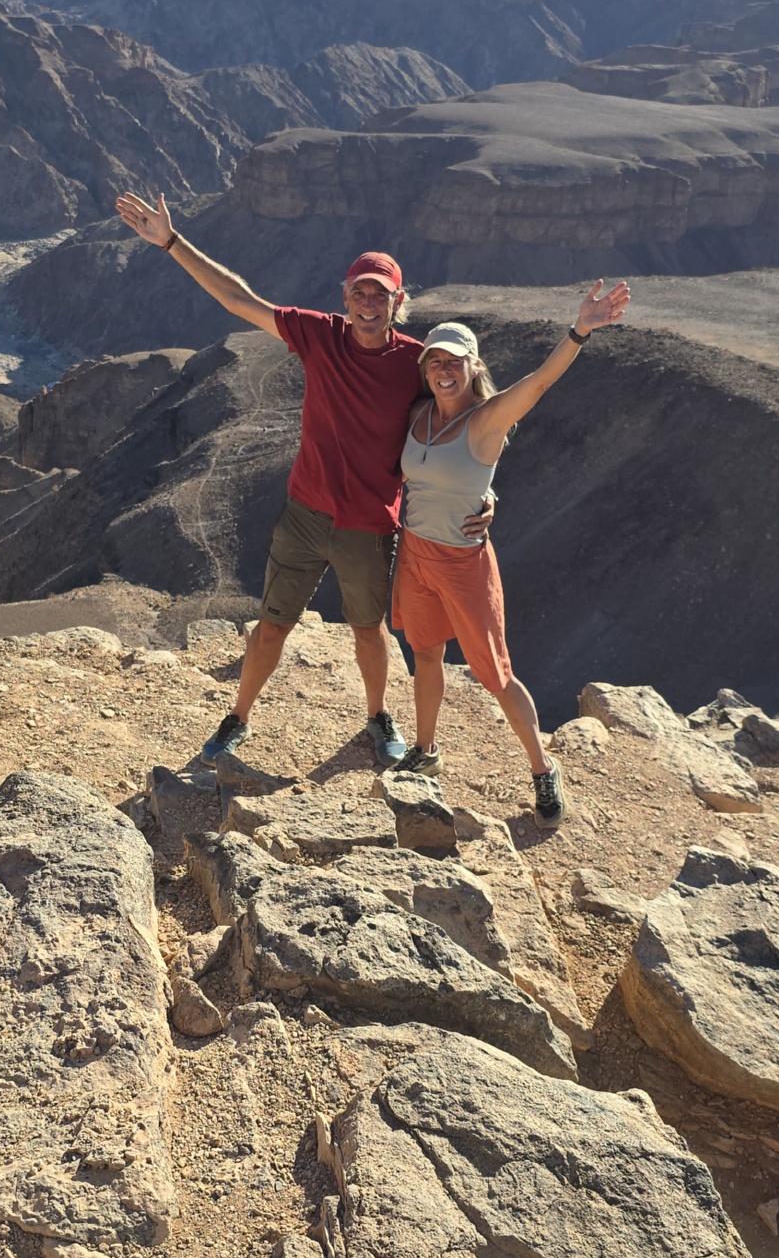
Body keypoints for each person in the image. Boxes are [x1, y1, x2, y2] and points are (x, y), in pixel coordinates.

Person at [113, 189, 495, 765]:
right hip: (305, 513)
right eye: (359, 292)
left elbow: (467, 422)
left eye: (381, 295)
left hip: (370, 524)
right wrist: (171, 242)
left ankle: (376, 716)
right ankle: (237, 716)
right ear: (345, 296)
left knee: (370, 631)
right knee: (272, 624)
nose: (368, 303)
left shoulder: (419, 363)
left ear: (399, 303)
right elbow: (241, 299)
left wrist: (485, 490)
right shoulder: (320, 334)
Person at [391, 280, 630, 827]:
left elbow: (541, 382)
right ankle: (425, 752)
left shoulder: (488, 419)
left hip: (463, 562)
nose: (443, 371)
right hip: (416, 554)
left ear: (474, 365)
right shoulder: (419, 415)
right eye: (434, 363)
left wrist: (579, 331)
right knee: (425, 654)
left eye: (454, 362)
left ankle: (543, 770)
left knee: (496, 675)